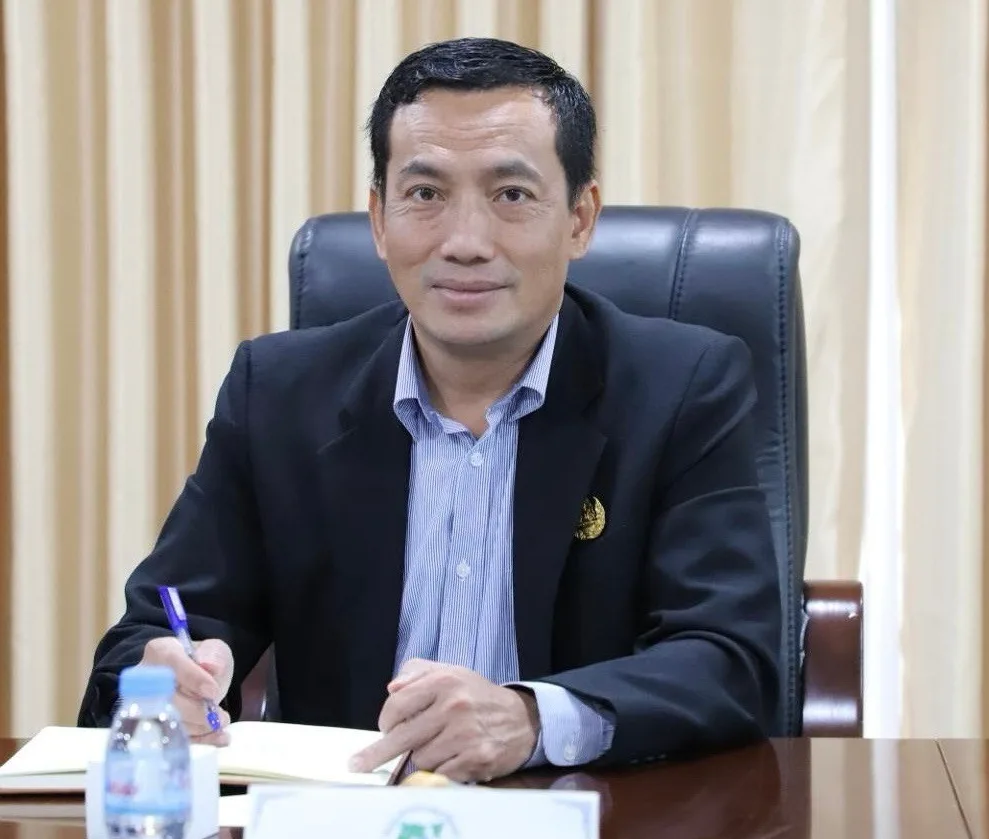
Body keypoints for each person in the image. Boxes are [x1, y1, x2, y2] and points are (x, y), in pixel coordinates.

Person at [78, 36, 781, 783]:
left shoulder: (682, 387)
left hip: (581, 810)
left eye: (511, 195)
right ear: (379, 219)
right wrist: (163, 682)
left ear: (580, 218)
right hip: (341, 818)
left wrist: (531, 718)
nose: (465, 242)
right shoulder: (278, 393)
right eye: (425, 194)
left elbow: (730, 659)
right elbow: (152, 632)